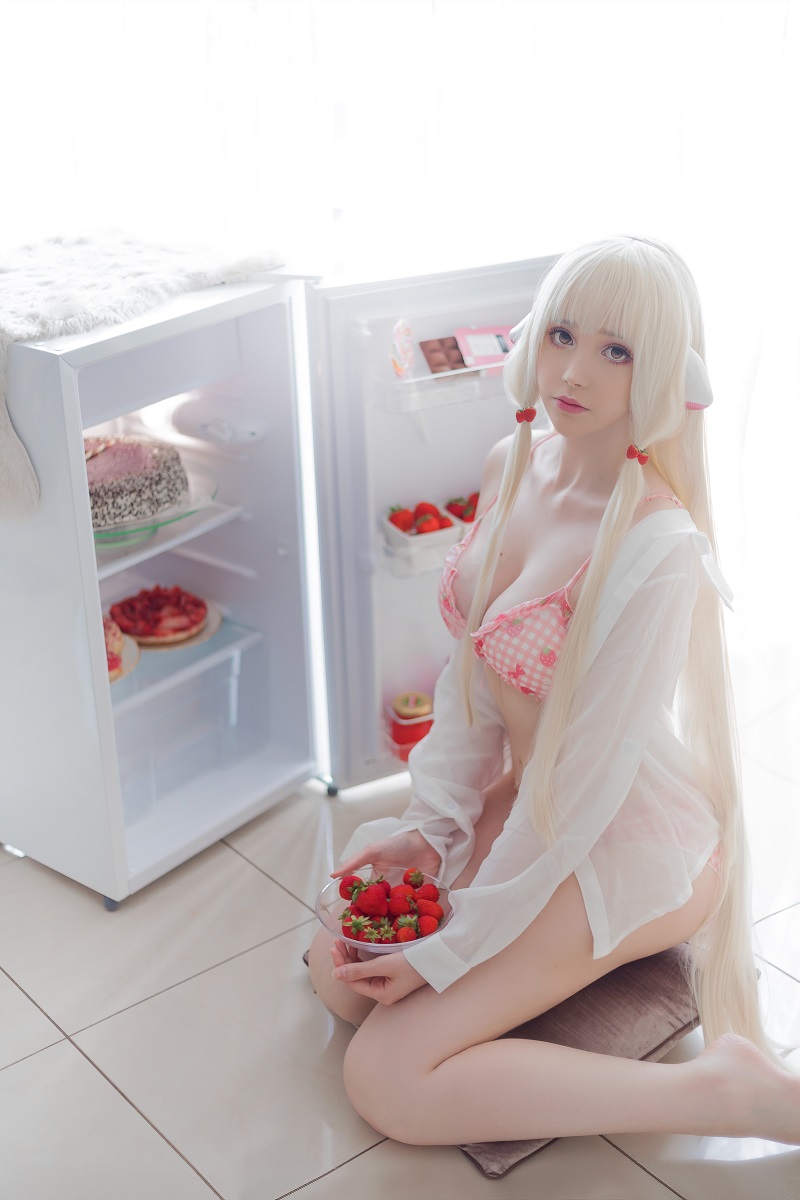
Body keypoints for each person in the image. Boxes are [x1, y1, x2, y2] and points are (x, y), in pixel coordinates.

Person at [307, 236, 800, 1147]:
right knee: (338, 971)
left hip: (622, 837)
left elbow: (582, 793)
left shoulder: (657, 546)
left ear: (664, 373)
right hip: (537, 800)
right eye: (563, 335)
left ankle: (733, 1094)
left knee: (386, 1077)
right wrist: (433, 828)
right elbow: (471, 680)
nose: (574, 371)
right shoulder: (513, 461)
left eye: (618, 351)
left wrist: (454, 947)